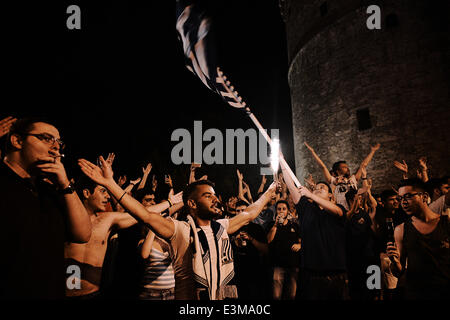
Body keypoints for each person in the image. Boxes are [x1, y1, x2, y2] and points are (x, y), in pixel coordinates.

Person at [77, 155, 278, 300]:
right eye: (208, 196)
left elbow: (250, 213)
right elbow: (145, 214)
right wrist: (111, 184)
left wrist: (269, 192)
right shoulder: (180, 230)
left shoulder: (222, 227)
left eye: (214, 195)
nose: (216, 199)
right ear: (191, 204)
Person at [0, 118, 91, 299]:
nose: (56, 147)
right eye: (47, 138)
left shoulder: (50, 190)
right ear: (17, 141)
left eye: (59, 142)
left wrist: (65, 185)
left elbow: (83, 234)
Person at [280, 154, 349, 300]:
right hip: (311, 275)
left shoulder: (338, 209)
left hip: (335, 274)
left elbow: (337, 211)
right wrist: (281, 160)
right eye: (316, 188)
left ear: (331, 196)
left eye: (322, 188)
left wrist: (310, 194)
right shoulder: (307, 208)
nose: (318, 189)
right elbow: (291, 186)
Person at [387, 178, 450, 299]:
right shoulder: (401, 229)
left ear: (424, 196)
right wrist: (394, 262)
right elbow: (398, 272)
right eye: (400, 198)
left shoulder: (446, 223)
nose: (403, 202)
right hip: (416, 293)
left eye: (408, 196)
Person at [304, 141, 380, 209]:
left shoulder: (353, 179)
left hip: (354, 209)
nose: (347, 168)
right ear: (337, 170)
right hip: (340, 210)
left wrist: (372, 151)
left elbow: (363, 165)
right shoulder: (333, 180)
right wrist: (312, 152)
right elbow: (322, 166)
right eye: (344, 167)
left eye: (347, 167)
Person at [230, 200, 270, 299]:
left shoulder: (257, 228)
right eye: (237, 211)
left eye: (243, 210)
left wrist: (251, 239)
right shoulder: (231, 229)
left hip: (254, 271)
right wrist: (235, 241)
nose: (240, 213)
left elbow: (265, 250)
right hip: (237, 273)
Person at [266, 200, 301, 300]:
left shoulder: (294, 225)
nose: (281, 211)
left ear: (288, 211)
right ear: (276, 211)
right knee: (276, 295)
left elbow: (301, 241)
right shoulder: (271, 225)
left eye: (284, 209)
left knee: (292, 294)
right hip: (278, 264)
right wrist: (276, 225)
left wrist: (300, 245)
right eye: (279, 209)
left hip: (293, 264)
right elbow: (268, 240)